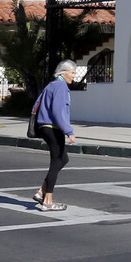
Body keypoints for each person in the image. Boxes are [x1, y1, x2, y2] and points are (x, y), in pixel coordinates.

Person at [33, 60, 79, 210]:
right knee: (56, 162)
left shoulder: (51, 85)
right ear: (63, 73)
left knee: (63, 159)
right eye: (72, 73)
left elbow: (36, 104)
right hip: (53, 128)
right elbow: (58, 112)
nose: (74, 76)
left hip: (45, 126)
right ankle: (47, 201)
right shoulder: (60, 86)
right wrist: (69, 131)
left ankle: (41, 192)